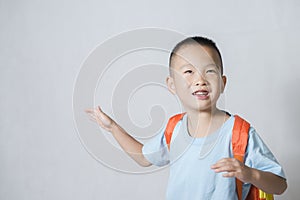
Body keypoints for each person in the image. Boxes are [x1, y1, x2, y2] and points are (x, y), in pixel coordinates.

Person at [85, 36, 287, 199]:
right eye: (189, 71)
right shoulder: (175, 128)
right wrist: (112, 127)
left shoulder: (239, 134)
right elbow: (144, 158)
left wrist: (249, 173)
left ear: (223, 82)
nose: (200, 80)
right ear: (172, 85)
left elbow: (280, 185)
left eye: (209, 71)